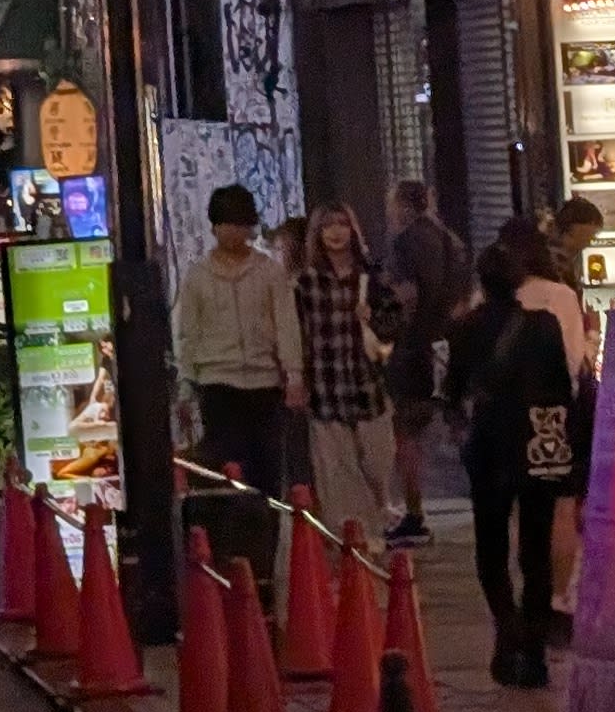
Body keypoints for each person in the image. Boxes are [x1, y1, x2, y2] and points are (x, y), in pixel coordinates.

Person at [445, 228, 582, 686]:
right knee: (535, 549)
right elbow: (564, 385)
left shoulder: (464, 329)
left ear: (481, 282)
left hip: (489, 445)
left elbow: (453, 392)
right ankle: (536, 646)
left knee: (491, 544)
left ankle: (507, 630)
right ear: (520, 280)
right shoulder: (543, 324)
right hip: (538, 445)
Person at [173, 183, 304, 567]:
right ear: (214, 227)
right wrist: (186, 384)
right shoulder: (197, 276)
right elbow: (187, 333)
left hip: (265, 385)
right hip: (218, 385)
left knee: (266, 473)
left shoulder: (269, 272)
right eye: (227, 224)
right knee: (228, 472)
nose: (234, 232)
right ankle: (233, 552)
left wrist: (293, 374)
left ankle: (262, 556)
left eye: (241, 224)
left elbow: (286, 325)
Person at [292, 204, 399, 543]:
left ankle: (378, 516)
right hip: (326, 383)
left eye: (342, 225)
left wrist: (374, 319)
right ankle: (356, 539)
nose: (336, 232)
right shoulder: (306, 283)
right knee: (337, 471)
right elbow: (298, 334)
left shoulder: (372, 276)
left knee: (377, 463)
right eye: (327, 226)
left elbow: (396, 325)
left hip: (369, 384)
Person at [382, 179, 470, 542]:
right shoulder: (452, 241)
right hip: (450, 341)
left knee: (406, 433)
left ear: (401, 204)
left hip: (415, 346)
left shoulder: (404, 243)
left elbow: (408, 297)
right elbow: (465, 296)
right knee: (456, 423)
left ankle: (415, 513)